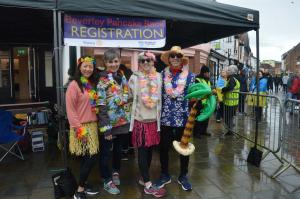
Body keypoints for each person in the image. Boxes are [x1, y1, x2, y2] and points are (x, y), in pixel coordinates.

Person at [154, 46, 195, 191]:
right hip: (165, 117)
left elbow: (194, 97)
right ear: (169, 58)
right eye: (172, 56)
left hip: (183, 118)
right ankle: (165, 174)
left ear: (182, 59)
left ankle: (183, 175)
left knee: (183, 148)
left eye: (178, 56)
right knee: (163, 148)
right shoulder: (161, 75)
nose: (175, 58)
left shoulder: (190, 76)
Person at [128, 51, 166, 198]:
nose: (145, 63)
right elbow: (130, 96)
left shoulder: (158, 77)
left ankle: (144, 178)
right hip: (141, 121)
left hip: (154, 121)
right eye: (142, 61)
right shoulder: (134, 77)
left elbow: (160, 98)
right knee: (143, 152)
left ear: (153, 62)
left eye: (148, 60)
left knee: (150, 152)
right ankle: (148, 185)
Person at [96, 49, 131, 195]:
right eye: (110, 61)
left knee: (118, 150)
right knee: (105, 153)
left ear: (119, 62)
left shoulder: (121, 77)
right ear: (105, 63)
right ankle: (106, 180)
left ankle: (115, 172)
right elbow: (101, 105)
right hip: (108, 124)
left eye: (116, 61)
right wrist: (106, 128)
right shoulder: (101, 80)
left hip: (122, 122)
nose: (113, 64)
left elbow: (127, 95)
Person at [65, 56, 100, 199]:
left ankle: (83, 183)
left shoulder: (90, 84)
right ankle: (79, 191)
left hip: (92, 125)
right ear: (79, 67)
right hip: (81, 127)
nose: (88, 69)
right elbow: (71, 110)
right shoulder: (74, 85)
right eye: (85, 66)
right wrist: (80, 130)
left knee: (89, 157)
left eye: (90, 66)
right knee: (91, 156)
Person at [193, 65, 212, 138]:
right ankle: (197, 133)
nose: (208, 74)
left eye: (208, 72)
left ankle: (204, 131)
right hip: (199, 102)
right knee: (199, 118)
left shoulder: (208, 80)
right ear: (204, 73)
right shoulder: (197, 80)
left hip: (207, 102)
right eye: (207, 72)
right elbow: (197, 90)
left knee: (206, 117)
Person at [222, 64, 240, 135]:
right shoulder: (234, 78)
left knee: (227, 117)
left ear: (232, 72)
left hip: (230, 103)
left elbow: (230, 87)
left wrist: (223, 89)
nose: (227, 71)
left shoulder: (232, 79)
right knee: (229, 117)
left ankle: (230, 130)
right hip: (233, 102)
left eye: (229, 70)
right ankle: (230, 130)